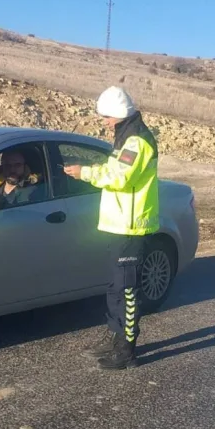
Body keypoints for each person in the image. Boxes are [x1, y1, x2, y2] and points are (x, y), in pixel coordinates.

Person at [64, 86, 159, 370]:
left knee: (127, 291)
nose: (103, 121)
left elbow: (119, 178)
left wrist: (86, 173)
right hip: (119, 225)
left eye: (105, 116)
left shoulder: (137, 142)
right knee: (116, 288)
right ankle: (116, 338)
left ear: (117, 114)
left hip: (131, 228)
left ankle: (127, 351)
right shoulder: (126, 138)